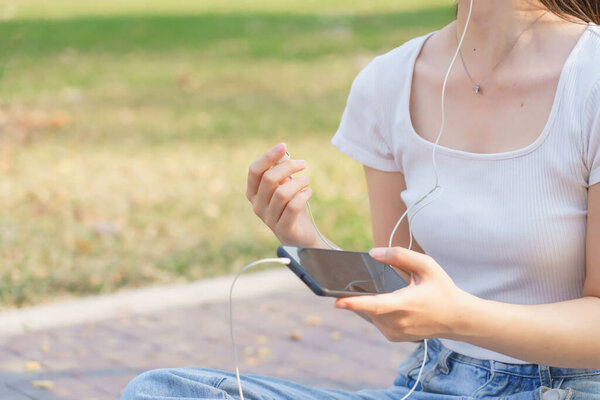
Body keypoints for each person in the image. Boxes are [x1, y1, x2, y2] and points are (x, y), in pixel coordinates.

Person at [121, 0, 600, 398]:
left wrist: (459, 317)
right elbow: (403, 296)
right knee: (161, 391)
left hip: (568, 388)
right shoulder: (389, 81)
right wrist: (299, 233)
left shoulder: (591, 76)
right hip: (433, 383)